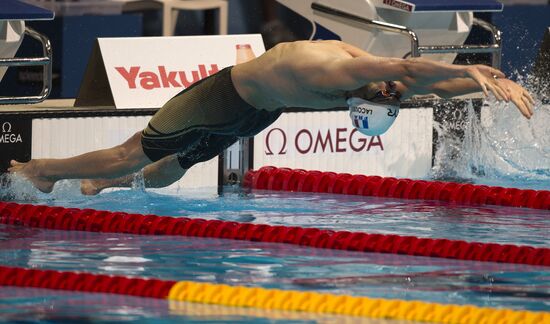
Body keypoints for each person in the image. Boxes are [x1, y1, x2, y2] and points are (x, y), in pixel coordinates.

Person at [9, 40, 535, 194]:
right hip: (220, 99)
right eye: (387, 93)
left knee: (173, 172)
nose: (395, 90)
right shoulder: (335, 70)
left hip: (254, 115)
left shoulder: (377, 87)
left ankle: (107, 187)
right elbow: (402, 65)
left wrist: (483, 81)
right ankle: (44, 171)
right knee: (134, 151)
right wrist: (477, 65)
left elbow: (420, 80)